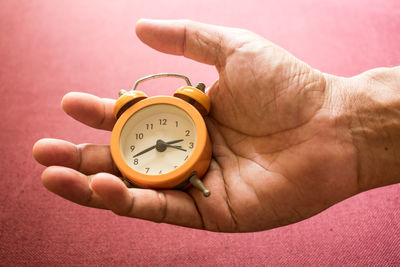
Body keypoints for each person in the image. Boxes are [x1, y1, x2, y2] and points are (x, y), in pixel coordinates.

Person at [32, 19, 400, 232]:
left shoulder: (193, 108)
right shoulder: (143, 123)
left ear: (192, 105)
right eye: (150, 142)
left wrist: (344, 116)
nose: (159, 145)